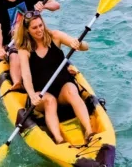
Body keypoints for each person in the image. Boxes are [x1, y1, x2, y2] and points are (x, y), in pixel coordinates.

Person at [15, 11, 92, 144]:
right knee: (50, 101)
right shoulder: (24, 50)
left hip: (62, 87)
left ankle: (89, 131)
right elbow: (26, 75)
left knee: (72, 91)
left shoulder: (55, 36)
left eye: (40, 25)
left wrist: (79, 44)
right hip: (42, 92)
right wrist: (32, 94)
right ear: (27, 30)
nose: (39, 30)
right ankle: (58, 139)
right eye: (34, 28)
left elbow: (84, 47)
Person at [0, 0, 59, 88]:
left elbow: (56, 5)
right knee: (15, 53)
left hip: (32, 34)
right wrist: (0, 48)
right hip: (12, 41)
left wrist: (44, 6)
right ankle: (17, 83)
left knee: (51, 41)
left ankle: (61, 68)